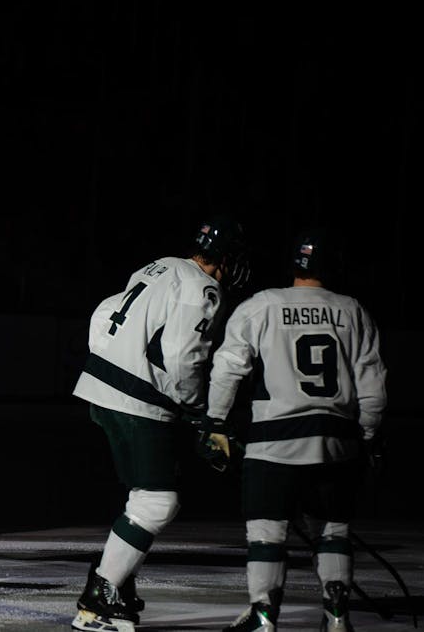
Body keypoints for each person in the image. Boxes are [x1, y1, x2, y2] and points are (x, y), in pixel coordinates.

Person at [69, 216, 251, 632]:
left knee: (142, 497)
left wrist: (113, 361)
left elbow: (103, 313)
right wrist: (200, 412)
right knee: (156, 501)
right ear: (226, 257)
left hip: (103, 385)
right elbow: (184, 354)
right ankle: (99, 597)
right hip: (137, 398)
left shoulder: (160, 264)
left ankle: (120, 579)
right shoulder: (204, 288)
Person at [203, 227, 387, 632]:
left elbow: (228, 367)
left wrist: (215, 420)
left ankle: (264, 615)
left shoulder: (261, 305)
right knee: (333, 530)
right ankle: (337, 615)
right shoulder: (352, 309)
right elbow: (372, 384)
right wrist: (368, 436)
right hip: (336, 439)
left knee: (267, 533)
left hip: (274, 440)